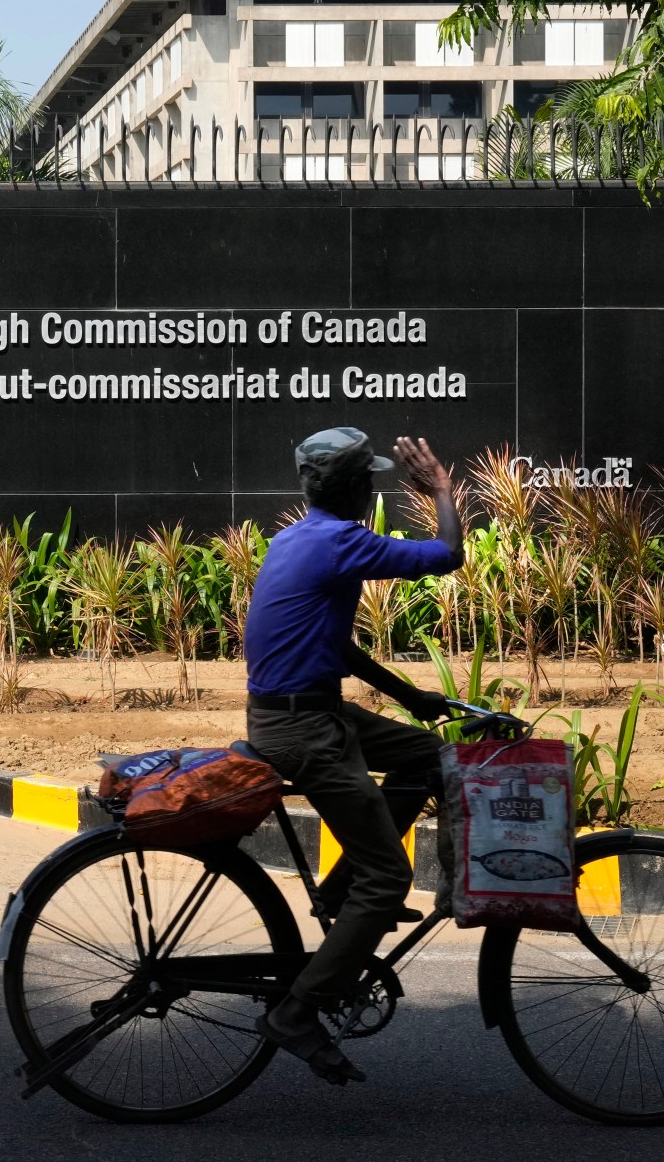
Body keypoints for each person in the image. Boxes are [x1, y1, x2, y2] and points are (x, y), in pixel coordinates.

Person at [242, 427, 465, 1087]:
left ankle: (345, 890)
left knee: (430, 755)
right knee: (389, 879)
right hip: (303, 727)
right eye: (372, 480)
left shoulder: (297, 538)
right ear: (361, 491)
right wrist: (444, 491)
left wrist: (410, 696)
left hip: (307, 710)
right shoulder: (343, 541)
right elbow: (448, 554)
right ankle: (296, 1012)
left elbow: (334, 648)